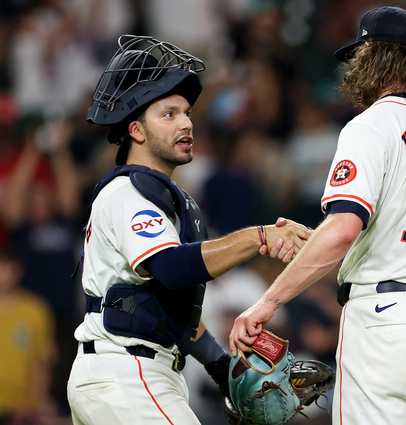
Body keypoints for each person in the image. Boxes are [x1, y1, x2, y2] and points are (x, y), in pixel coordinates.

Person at [230, 6, 406, 425]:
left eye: (359, 56)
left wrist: (267, 302)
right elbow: (396, 233)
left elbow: (346, 228)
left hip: (388, 319)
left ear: (373, 58)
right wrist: (315, 236)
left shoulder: (369, 125)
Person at [65, 34, 311, 425]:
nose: (185, 123)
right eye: (169, 114)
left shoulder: (162, 197)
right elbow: (171, 267)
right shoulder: (128, 192)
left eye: (187, 113)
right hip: (128, 375)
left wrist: (221, 367)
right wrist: (260, 236)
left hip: (128, 374)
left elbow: (167, 307)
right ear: (136, 131)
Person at [0, 247, 57, 425]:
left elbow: (41, 362)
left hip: (22, 410)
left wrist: (40, 402)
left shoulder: (35, 310)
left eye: (3, 266)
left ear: (17, 270)